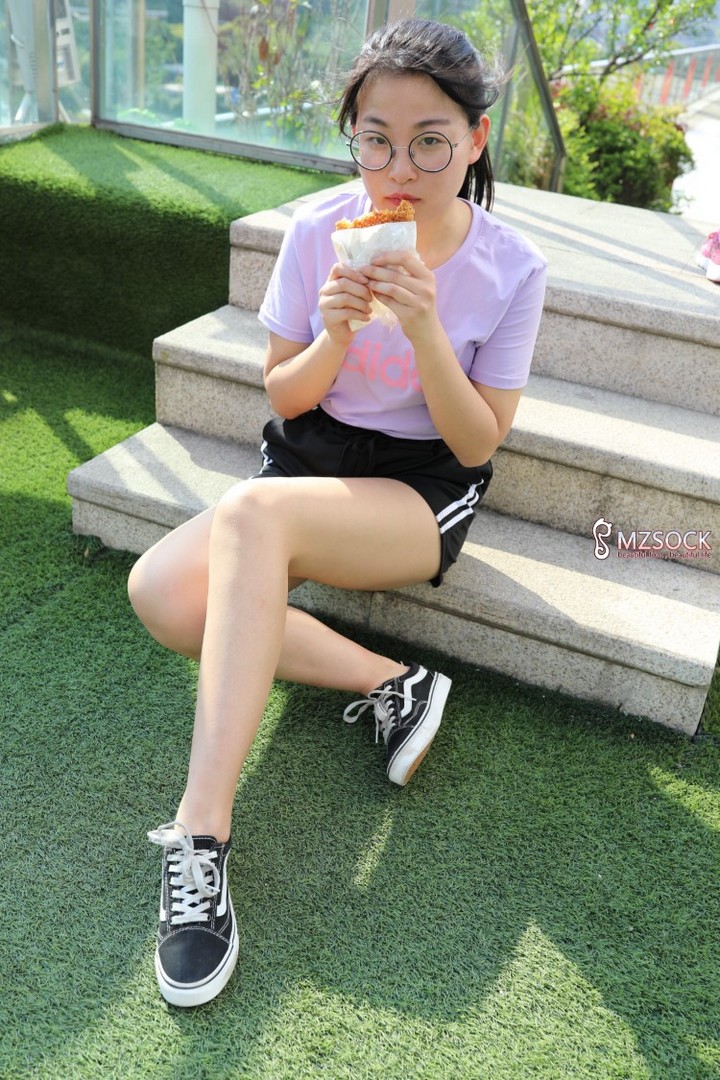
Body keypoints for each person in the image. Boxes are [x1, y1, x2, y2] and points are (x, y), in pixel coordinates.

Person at [128, 16, 548, 1008]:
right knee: (161, 594)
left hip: (420, 486)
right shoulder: (319, 231)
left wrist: (424, 326)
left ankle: (201, 833)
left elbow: (478, 441)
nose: (398, 170)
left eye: (430, 142)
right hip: (311, 457)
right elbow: (286, 394)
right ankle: (394, 682)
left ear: (475, 140)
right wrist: (335, 332)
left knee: (250, 520)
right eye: (375, 140)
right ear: (353, 138)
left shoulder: (511, 267)